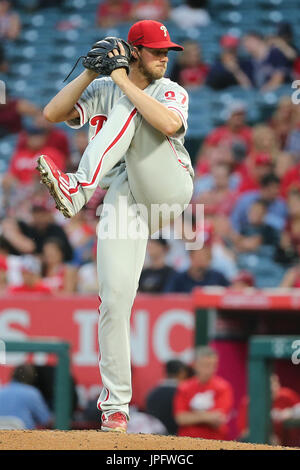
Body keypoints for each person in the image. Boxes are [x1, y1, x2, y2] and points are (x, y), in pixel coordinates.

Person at [37, 20, 194, 432]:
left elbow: (170, 125)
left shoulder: (171, 89)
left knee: (133, 106)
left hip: (166, 183)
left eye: (167, 50)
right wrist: (93, 71)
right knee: (114, 299)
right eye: (157, 49)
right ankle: (115, 408)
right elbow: (52, 113)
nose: (164, 56)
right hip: (124, 195)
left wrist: (121, 78)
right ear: (134, 50)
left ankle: (78, 187)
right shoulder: (107, 84)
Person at [173, 346, 233, 439]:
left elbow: (218, 418)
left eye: (213, 365)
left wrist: (193, 416)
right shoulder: (184, 387)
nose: (209, 370)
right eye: (205, 365)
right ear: (195, 365)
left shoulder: (223, 387)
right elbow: (180, 418)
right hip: (188, 441)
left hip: (215, 441)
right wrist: (208, 417)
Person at [146, 359, 190, 435]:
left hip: (153, 436)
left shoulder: (152, 393)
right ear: (182, 373)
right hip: (176, 438)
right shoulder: (182, 393)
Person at [0, 364, 51, 430]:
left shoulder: (1, 390)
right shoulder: (32, 393)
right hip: (24, 437)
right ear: (31, 377)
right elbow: (46, 421)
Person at [164, 244, 230, 293]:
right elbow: (168, 296)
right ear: (191, 257)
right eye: (199, 256)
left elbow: (229, 291)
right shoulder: (178, 278)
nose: (202, 260)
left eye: (207, 257)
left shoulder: (218, 277)